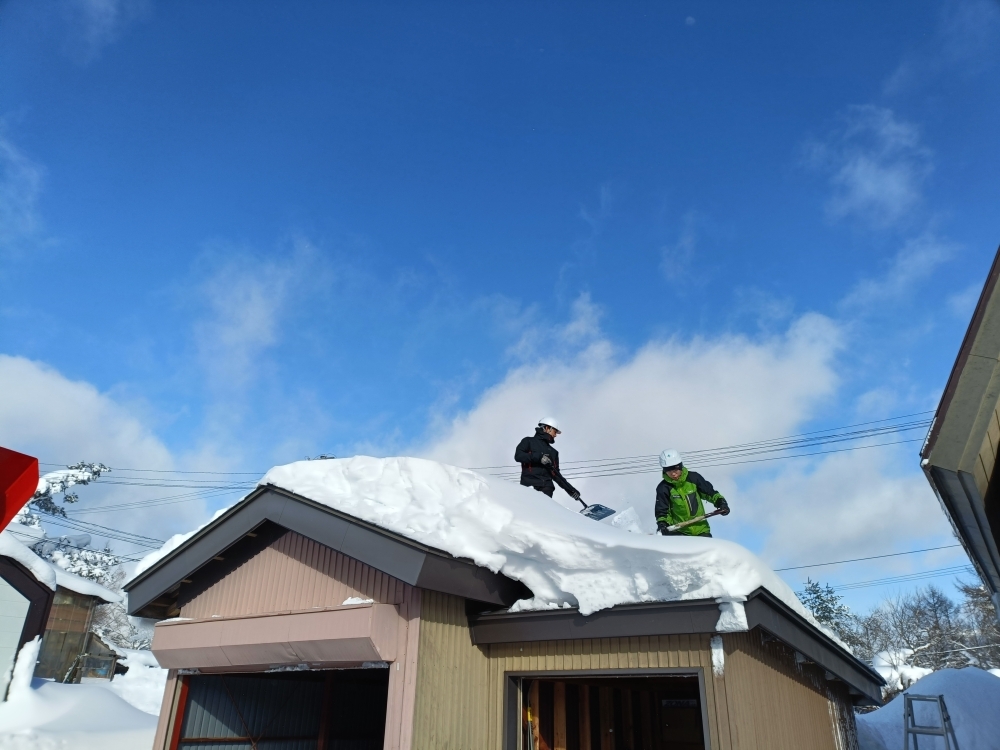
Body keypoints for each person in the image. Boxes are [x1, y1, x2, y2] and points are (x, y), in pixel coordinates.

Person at [654, 449, 729, 537]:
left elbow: (710, 493)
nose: (673, 474)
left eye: (675, 470)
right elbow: (662, 511)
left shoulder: (694, 478)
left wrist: (721, 502)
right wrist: (662, 524)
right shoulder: (663, 488)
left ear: (680, 466)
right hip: (679, 533)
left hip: (701, 530)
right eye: (669, 471)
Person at [514, 417, 582, 503]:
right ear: (547, 428)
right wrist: (539, 457)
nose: (555, 435)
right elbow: (518, 456)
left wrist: (571, 490)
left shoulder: (553, 452)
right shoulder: (528, 441)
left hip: (546, 488)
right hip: (529, 485)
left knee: (542, 512)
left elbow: (556, 475)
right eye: (555, 431)